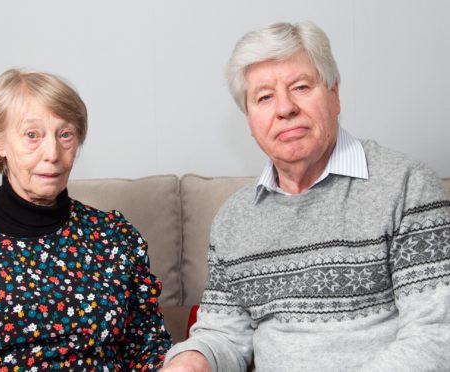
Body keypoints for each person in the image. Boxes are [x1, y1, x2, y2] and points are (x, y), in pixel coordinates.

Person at [162, 21, 450, 371]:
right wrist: (191, 361)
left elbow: (436, 334)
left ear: (335, 93)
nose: (284, 108)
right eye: (264, 97)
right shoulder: (234, 219)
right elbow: (224, 335)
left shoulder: (406, 185)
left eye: (300, 87)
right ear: (250, 121)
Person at [0, 69, 171, 371]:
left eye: (65, 134)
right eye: (32, 135)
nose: (52, 153)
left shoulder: (114, 236)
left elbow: (147, 347)